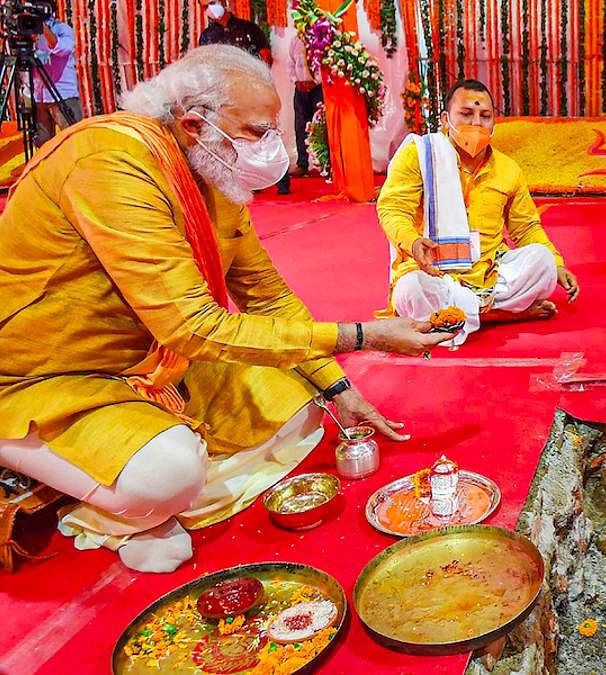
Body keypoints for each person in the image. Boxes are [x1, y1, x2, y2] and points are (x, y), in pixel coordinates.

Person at [0, 46, 451, 574]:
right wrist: (365, 336)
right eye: (259, 132)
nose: (272, 148)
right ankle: (114, 507)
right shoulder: (109, 165)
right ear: (195, 124)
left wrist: (338, 388)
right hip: (52, 374)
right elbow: (191, 326)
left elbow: (267, 295)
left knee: (303, 408)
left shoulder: (210, 169)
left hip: (155, 359)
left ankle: (130, 477)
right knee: (168, 474)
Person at [377, 79, 580, 346]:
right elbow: (393, 208)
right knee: (410, 291)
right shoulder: (421, 155)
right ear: (445, 119)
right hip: (433, 273)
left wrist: (557, 263)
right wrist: (412, 242)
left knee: (541, 262)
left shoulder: (508, 169)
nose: (476, 123)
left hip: (488, 273)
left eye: (485, 116)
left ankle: (463, 315)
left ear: (495, 122)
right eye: (466, 114)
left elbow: (526, 227)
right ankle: (497, 315)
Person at [197, 0, 289, 194]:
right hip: (224, 95)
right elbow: (203, 64)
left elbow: (265, 56)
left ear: (223, 3)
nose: (209, 9)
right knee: (238, 137)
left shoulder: (248, 28)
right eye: (204, 6)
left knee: (266, 133)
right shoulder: (207, 36)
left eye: (211, 3)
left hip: (253, 90)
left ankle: (281, 180)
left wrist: (258, 81)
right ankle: (250, 182)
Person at [32, 6, 82, 147]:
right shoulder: (28, 31)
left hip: (62, 95)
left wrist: (43, 28)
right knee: (43, 145)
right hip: (39, 96)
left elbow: (62, 48)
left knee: (73, 141)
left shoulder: (62, 29)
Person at [289, 34, 323, 177]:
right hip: (300, 90)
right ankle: (302, 164)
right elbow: (290, 63)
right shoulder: (295, 40)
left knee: (320, 127)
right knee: (300, 127)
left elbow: (324, 64)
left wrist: (315, 82)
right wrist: (296, 81)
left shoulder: (321, 37)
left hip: (317, 89)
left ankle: (325, 164)